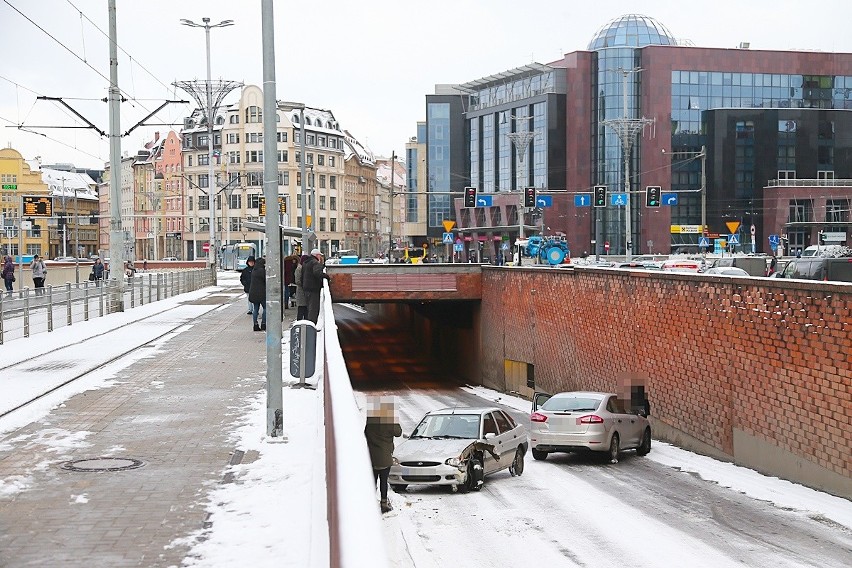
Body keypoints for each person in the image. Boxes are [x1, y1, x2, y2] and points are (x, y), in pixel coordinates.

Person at [364, 396, 402, 514]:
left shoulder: (371, 420)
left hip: (372, 456)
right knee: (383, 481)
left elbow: (366, 432)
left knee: (372, 480)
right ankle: (384, 503)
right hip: (385, 456)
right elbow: (398, 432)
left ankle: (369, 502)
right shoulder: (389, 420)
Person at [302, 248, 330, 324]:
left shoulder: (305, 262)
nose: (320, 257)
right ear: (317, 255)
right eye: (320, 255)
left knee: (309, 308)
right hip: (313, 288)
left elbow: (302, 275)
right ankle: (312, 326)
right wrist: (326, 276)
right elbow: (317, 273)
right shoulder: (315, 263)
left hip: (306, 288)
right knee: (314, 309)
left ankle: (309, 325)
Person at [248, 257, 267, 332]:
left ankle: (255, 324)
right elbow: (266, 281)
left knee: (255, 309)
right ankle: (263, 323)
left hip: (254, 293)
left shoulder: (254, 270)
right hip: (262, 293)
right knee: (265, 308)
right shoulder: (262, 271)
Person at [293, 254, 309, 321]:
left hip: (303, 291)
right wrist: (305, 284)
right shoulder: (299, 268)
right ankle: (299, 322)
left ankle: (304, 322)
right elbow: (297, 280)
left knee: (304, 308)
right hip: (301, 291)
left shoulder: (301, 267)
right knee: (301, 309)